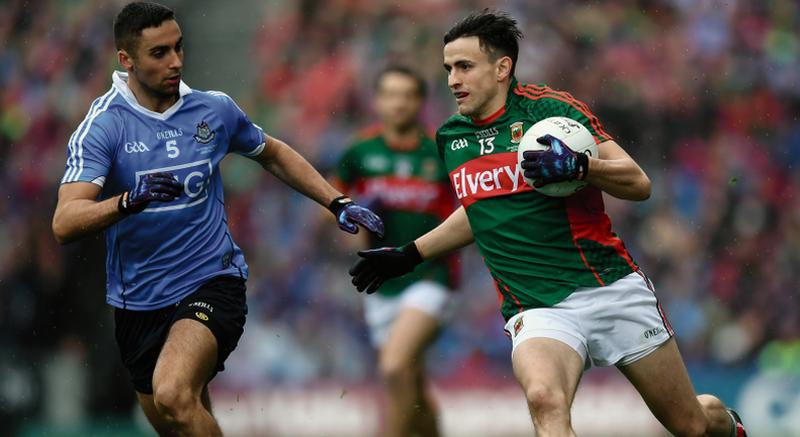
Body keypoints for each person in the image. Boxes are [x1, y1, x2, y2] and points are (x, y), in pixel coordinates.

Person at [349, 10, 747, 437]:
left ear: (502, 68)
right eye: (448, 68)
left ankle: (729, 426)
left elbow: (638, 183)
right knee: (544, 398)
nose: (452, 80)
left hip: (607, 286)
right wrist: (411, 253)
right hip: (534, 306)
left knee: (691, 425)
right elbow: (480, 208)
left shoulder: (553, 111)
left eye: (465, 66)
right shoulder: (451, 137)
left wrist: (581, 166)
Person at [51, 2, 383, 436]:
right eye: (159, 53)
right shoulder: (104, 127)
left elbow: (273, 152)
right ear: (126, 60)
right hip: (139, 303)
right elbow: (64, 221)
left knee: (172, 393)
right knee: (180, 416)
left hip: (213, 281)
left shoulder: (214, 110)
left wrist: (336, 202)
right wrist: (127, 202)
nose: (175, 62)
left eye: (178, 48)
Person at [334, 66, 455, 437]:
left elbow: (467, 216)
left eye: (407, 94)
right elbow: (334, 203)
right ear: (377, 100)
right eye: (389, 94)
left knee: (394, 367)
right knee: (412, 383)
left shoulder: (441, 152)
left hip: (431, 277)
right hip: (380, 285)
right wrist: (350, 235)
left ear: (420, 101)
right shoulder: (360, 150)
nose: (398, 103)